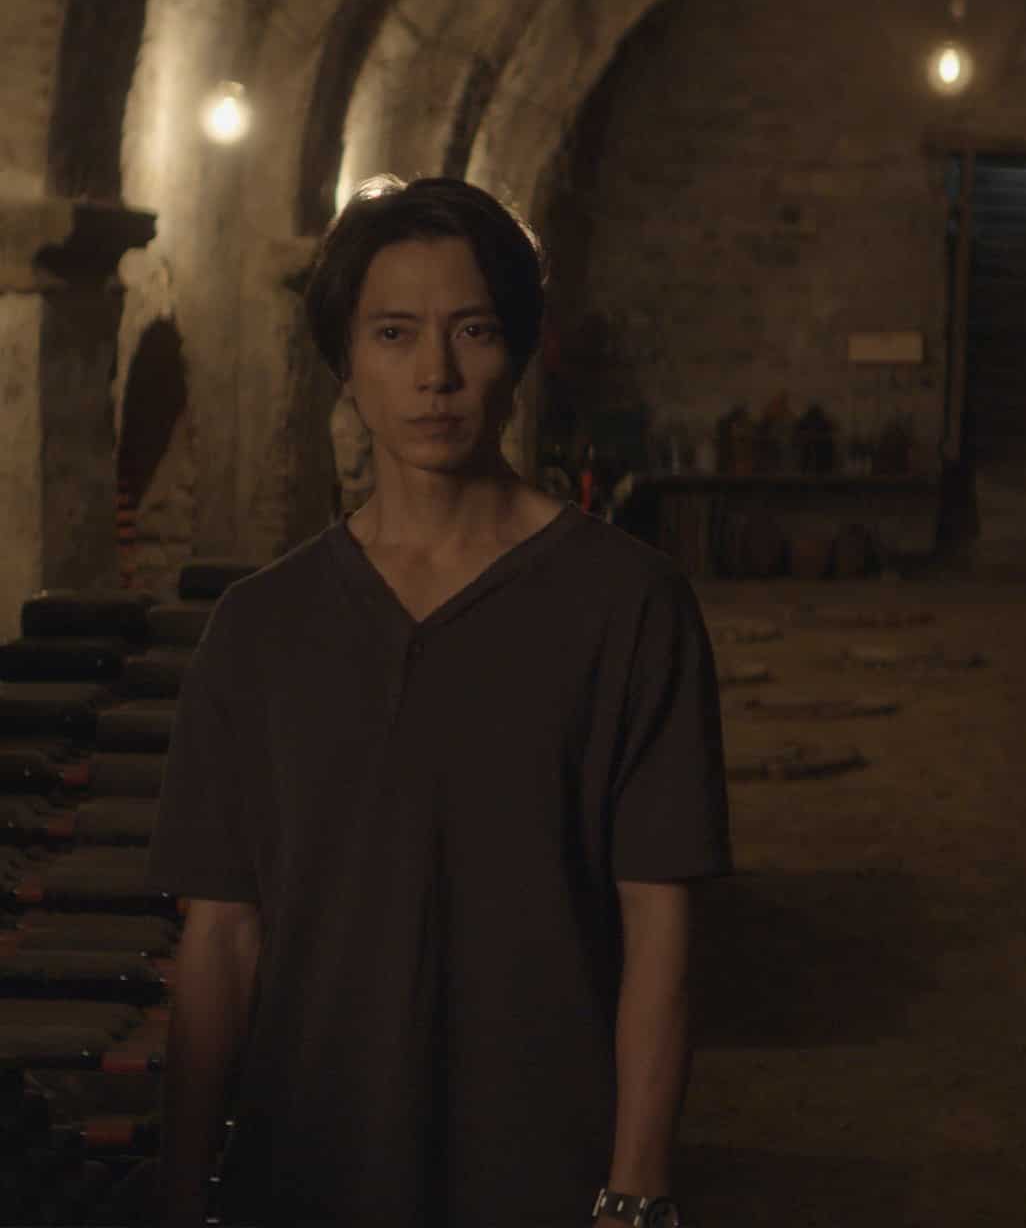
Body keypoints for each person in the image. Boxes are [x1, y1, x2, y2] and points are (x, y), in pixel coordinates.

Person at [149, 176, 731, 1227]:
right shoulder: (260, 629)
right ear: (345, 361)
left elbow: (661, 919)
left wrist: (636, 1189)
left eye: (472, 330)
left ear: (517, 349)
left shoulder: (627, 603)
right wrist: (185, 1185)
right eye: (394, 332)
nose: (435, 374)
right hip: (306, 1165)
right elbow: (221, 935)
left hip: (543, 1163)